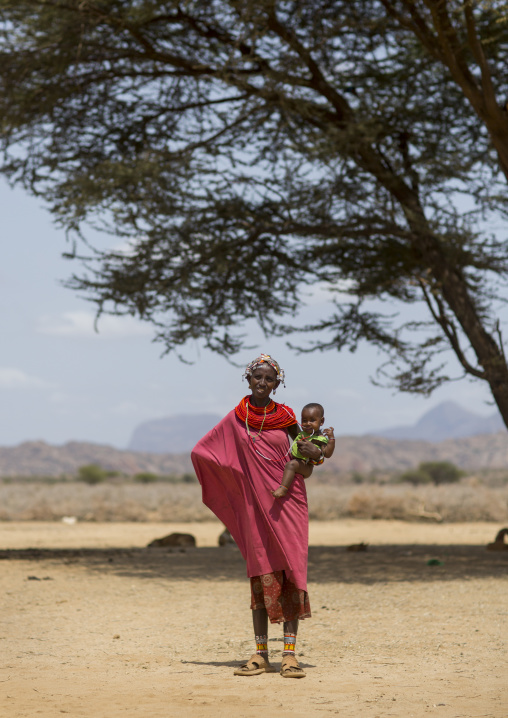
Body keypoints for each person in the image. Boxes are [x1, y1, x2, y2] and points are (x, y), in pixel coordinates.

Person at [191, 354, 322, 678]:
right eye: (257, 377)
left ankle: (289, 655)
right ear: (247, 380)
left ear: (277, 385)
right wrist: (238, 485)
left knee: (292, 571)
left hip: (288, 502)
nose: (262, 383)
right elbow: (202, 451)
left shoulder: (288, 417)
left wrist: (313, 455)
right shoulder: (235, 418)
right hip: (254, 506)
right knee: (260, 571)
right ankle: (260, 653)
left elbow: (307, 464)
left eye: (269, 379)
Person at [272, 403, 335, 499]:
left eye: (312, 420)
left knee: (291, 465)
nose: (308, 423)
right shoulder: (302, 433)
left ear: (321, 421)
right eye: (304, 421)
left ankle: (283, 489)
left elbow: (327, 454)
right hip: (298, 461)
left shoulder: (320, 438)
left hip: (306, 465)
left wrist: (331, 439)